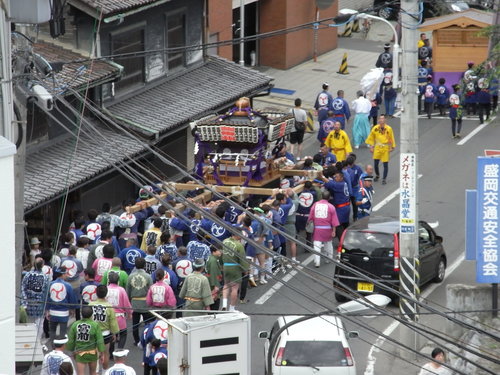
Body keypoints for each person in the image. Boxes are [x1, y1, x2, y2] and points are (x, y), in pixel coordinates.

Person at [66, 305, 105, 375]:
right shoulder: (95, 325)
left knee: (80, 373)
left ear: (81, 314)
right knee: (93, 372)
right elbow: (100, 340)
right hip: (92, 353)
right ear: (92, 315)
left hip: (79, 353)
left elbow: (71, 340)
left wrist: (71, 350)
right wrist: (102, 353)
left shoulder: (75, 324)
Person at [89, 285, 119, 371]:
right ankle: (105, 371)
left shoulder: (91, 304)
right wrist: (114, 333)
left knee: (94, 354)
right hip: (105, 334)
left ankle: (95, 372)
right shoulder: (109, 306)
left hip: (93, 333)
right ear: (106, 294)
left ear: (96, 293)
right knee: (105, 353)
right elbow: (113, 322)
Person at [21, 257, 51, 343]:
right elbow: (46, 294)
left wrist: (24, 302)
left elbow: (22, 288)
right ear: (42, 265)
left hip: (28, 304)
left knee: (30, 323)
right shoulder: (45, 278)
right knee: (39, 324)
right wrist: (47, 308)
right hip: (40, 305)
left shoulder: (27, 275)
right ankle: (37, 341)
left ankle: (29, 339)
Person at [307, 191, 339, 268]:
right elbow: (334, 221)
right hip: (327, 229)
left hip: (317, 229)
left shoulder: (315, 205)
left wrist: (308, 223)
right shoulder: (331, 207)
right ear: (329, 198)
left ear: (321, 196)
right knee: (328, 244)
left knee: (317, 245)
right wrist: (334, 231)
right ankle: (328, 259)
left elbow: (310, 217)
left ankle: (317, 262)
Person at [125, 257, 153, 346]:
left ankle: (136, 340)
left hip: (134, 302)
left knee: (135, 324)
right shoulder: (148, 276)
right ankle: (146, 339)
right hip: (145, 303)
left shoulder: (130, 276)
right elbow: (151, 290)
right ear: (144, 265)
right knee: (147, 323)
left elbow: (127, 291)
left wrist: (129, 301)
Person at [46, 266, 78, 344]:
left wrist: (47, 310)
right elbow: (72, 300)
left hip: (52, 312)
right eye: (66, 274)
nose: (67, 275)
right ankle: (61, 349)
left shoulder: (50, 284)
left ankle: (53, 347)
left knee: (52, 332)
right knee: (62, 333)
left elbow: (47, 298)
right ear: (63, 274)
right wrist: (72, 309)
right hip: (64, 313)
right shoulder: (68, 286)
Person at [221, 227, 249, 311]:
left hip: (225, 266)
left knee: (226, 285)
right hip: (235, 267)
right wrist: (245, 270)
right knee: (234, 288)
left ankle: (224, 304)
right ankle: (232, 308)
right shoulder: (239, 245)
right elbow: (242, 259)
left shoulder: (224, 241)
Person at [365, 115, 396, 185]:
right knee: (376, 163)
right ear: (378, 120)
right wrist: (371, 146)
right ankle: (377, 175)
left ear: (385, 120)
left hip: (385, 147)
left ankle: (384, 178)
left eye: (383, 119)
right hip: (377, 147)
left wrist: (392, 147)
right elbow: (371, 137)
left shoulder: (389, 128)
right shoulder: (375, 128)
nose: (381, 120)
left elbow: (391, 138)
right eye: (380, 119)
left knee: (385, 164)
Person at [106, 272, 131, 350]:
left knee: (110, 334)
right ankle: (120, 350)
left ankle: (110, 352)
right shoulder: (121, 290)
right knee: (123, 333)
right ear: (118, 280)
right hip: (119, 316)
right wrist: (130, 313)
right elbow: (126, 303)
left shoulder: (105, 289)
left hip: (107, 315)